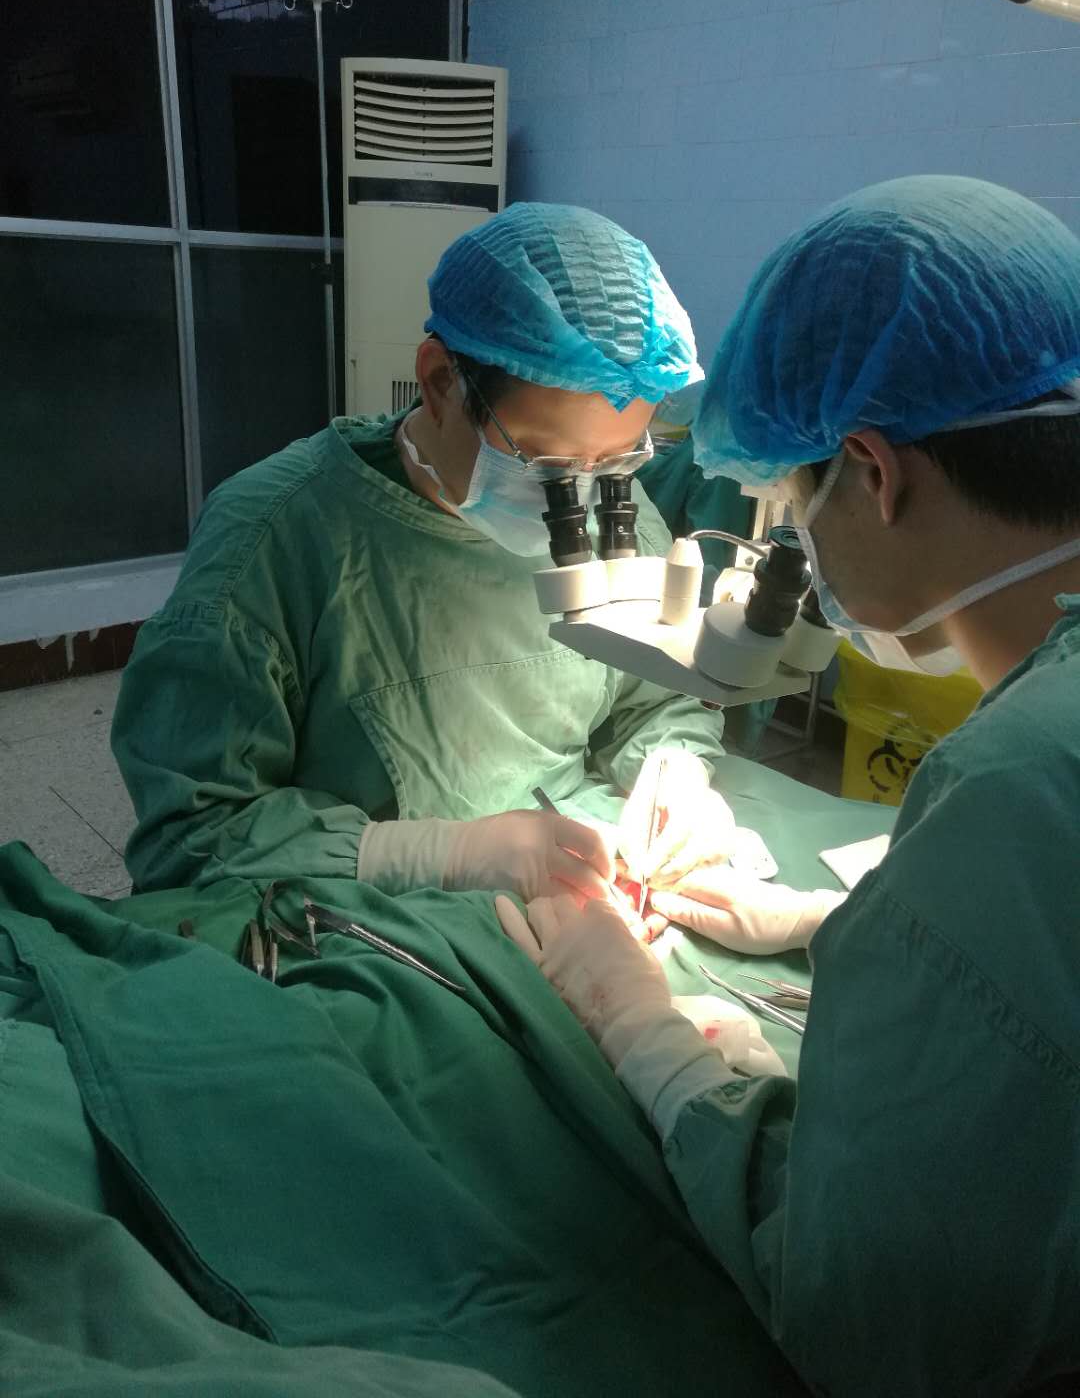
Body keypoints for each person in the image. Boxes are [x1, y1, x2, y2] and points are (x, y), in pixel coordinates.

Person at [497, 177, 1080, 1396]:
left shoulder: (1019, 784)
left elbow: (875, 1320)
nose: (791, 543)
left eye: (787, 506)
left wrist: (653, 1043)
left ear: (872, 471)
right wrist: (854, 923)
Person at [112, 203, 733, 900]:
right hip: (353, 912)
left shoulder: (617, 509)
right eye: (549, 464)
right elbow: (191, 833)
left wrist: (674, 773)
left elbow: (656, 700)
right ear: (440, 382)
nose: (582, 499)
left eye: (615, 462)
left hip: (570, 873)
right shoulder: (271, 537)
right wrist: (436, 854)